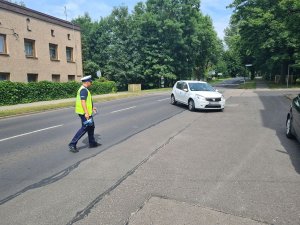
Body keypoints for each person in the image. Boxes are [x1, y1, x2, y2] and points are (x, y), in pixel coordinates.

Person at [68, 75, 100, 153]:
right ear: (87, 82)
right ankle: (72, 144)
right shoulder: (84, 90)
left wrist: (92, 107)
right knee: (85, 127)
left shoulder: (84, 89)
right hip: (84, 113)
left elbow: (87, 101)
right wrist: (86, 113)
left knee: (91, 126)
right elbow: (83, 102)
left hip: (86, 112)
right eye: (90, 82)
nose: (91, 83)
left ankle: (92, 143)